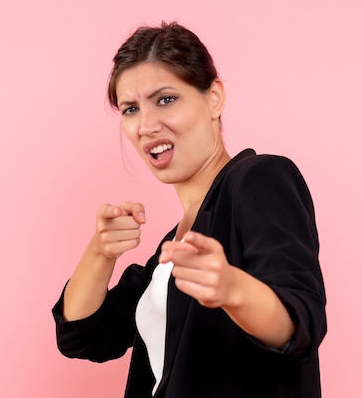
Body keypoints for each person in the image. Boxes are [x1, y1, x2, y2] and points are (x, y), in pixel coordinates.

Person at [52, 22, 326, 398]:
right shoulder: (173, 243)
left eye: (165, 99)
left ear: (214, 97)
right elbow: (83, 336)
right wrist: (100, 251)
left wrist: (232, 288)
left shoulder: (259, 179)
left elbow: (300, 325)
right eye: (131, 109)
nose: (146, 125)